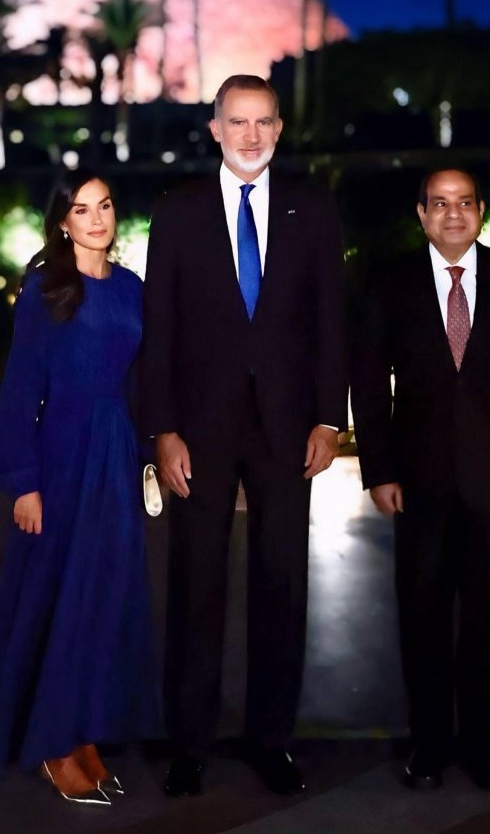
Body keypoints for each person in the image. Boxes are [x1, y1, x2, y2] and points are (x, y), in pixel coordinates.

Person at [141, 74, 348, 797]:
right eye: (238, 121)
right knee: (195, 582)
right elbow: (159, 329)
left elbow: (331, 320)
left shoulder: (313, 209)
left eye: (263, 122)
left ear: (279, 129)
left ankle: (272, 739)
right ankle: (190, 743)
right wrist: (162, 428)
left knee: (282, 583)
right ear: (215, 129)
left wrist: (330, 417)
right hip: (199, 430)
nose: (251, 135)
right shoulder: (178, 212)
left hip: (289, 429)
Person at [351, 167, 490, 790]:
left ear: (481, 210)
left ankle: (484, 744)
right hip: (418, 480)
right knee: (422, 614)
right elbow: (369, 383)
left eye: (464, 202)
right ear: (421, 214)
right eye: (439, 204)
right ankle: (429, 745)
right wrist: (379, 468)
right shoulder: (388, 283)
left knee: (489, 615)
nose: (453, 214)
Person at [0, 173, 156, 804]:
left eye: (105, 206)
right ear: (63, 222)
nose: (96, 219)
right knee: (59, 602)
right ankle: (52, 744)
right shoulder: (45, 289)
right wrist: (22, 481)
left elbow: (142, 381)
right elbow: (21, 387)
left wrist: (149, 452)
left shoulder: (131, 287)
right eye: (82, 209)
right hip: (63, 459)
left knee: (104, 600)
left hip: (116, 458)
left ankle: (86, 735)